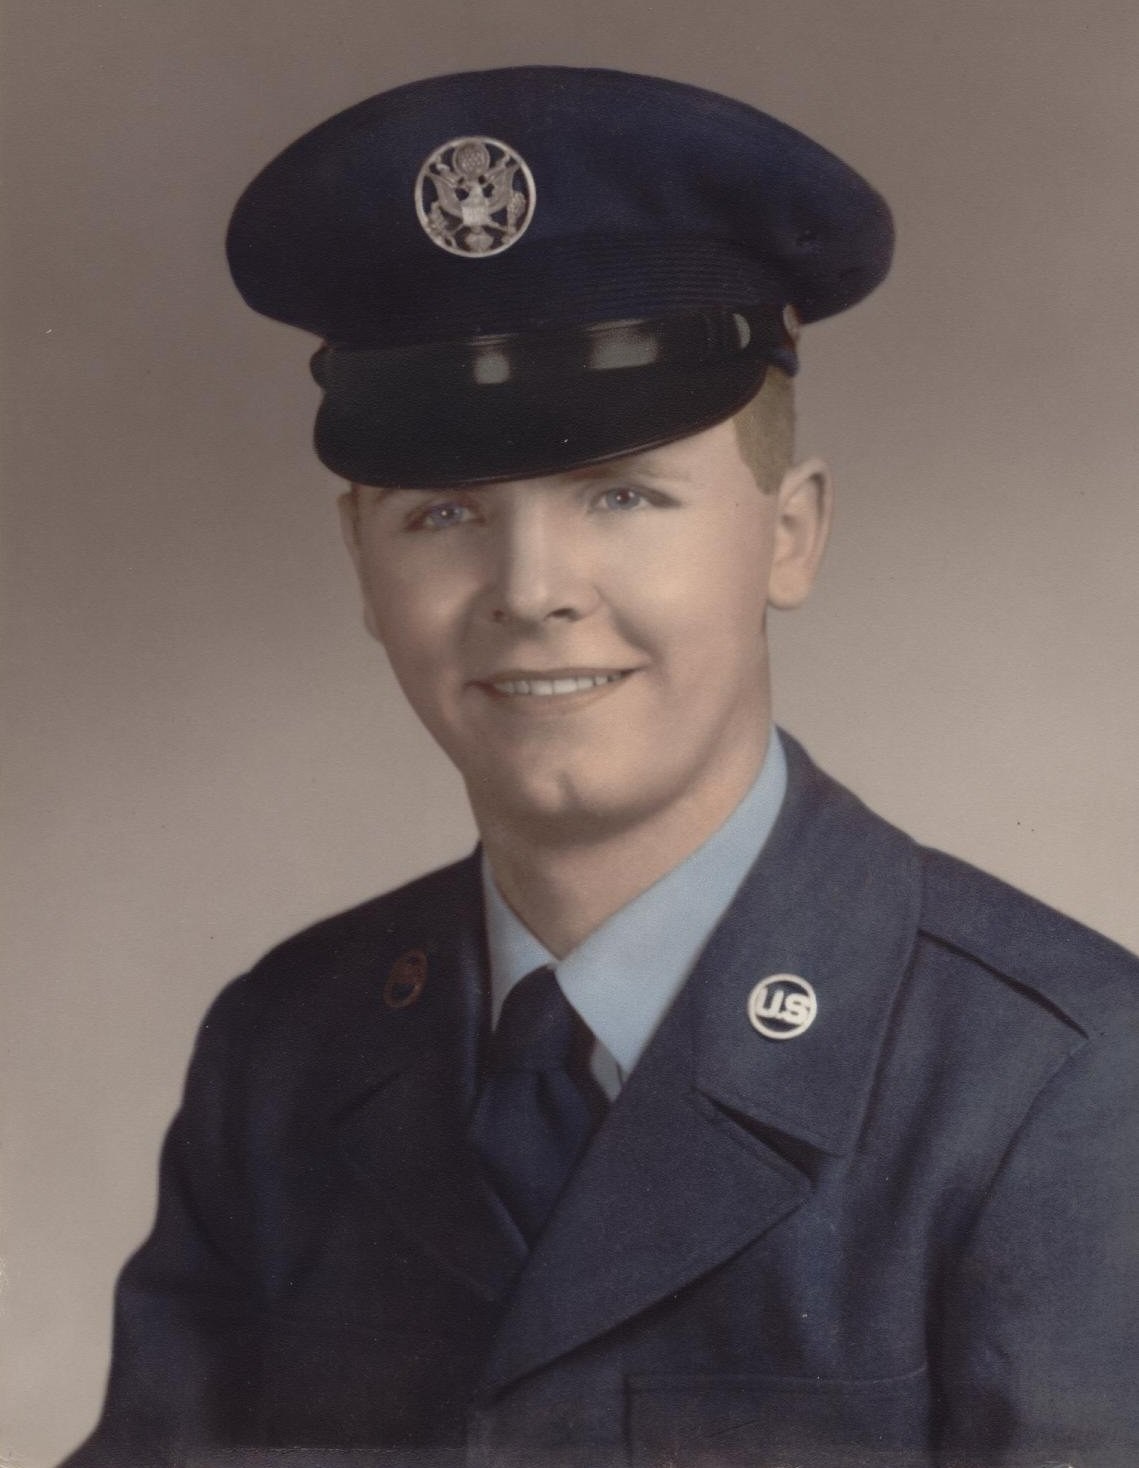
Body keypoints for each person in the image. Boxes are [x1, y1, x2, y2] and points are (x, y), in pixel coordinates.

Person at [62, 65, 1139, 1468]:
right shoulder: (284, 1053)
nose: (530, 589)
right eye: (444, 511)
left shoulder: (1055, 1083)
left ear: (791, 535)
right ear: (361, 566)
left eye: (622, 494)